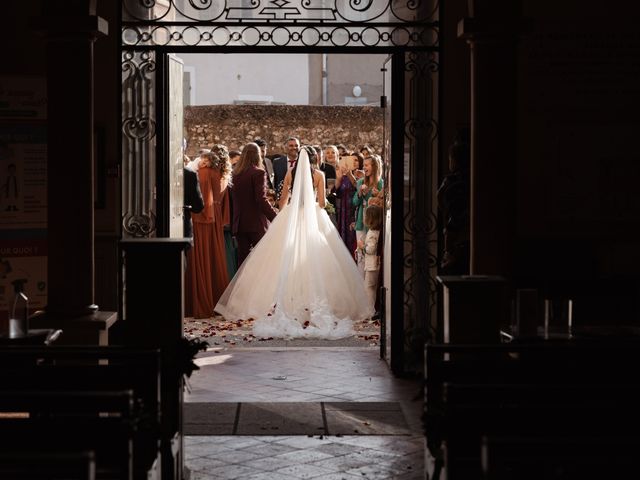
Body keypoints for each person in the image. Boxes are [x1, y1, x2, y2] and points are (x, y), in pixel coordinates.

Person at [215, 146, 373, 339]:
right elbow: (322, 203)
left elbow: (282, 201)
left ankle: (271, 301)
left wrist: (284, 210)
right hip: (313, 218)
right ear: (314, 160)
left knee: (277, 258)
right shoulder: (320, 175)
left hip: (291, 215)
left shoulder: (290, 173)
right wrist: (315, 203)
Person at [190, 150, 231, 318]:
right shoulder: (220, 175)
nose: (201, 161)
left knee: (201, 255)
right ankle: (216, 298)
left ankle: (200, 298)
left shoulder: (200, 173)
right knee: (213, 255)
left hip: (200, 216)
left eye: (203, 158)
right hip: (215, 218)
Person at [229, 142, 277, 267]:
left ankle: (241, 286)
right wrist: (275, 217)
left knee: (242, 260)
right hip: (256, 223)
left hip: (239, 224)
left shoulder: (234, 174)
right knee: (262, 258)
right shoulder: (258, 173)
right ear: (257, 156)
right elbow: (261, 199)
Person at [437, 136, 470, 275]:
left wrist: (447, 249)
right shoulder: (467, 180)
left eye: (450, 158)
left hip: (458, 241)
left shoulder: (456, 184)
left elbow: (454, 218)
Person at [352, 154, 383, 275]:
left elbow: (380, 204)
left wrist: (375, 195)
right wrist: (360, 193)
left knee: (371, 251)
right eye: (363, 165)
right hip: (361, 222)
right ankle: (361, 285)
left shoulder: (381, 184)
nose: (364, 168)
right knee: (360, 254)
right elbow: (355, 202)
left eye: (366, 165)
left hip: (374, 224)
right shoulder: (360, 182)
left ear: (375, 167)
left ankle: (370, 283)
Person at [183, 164, 204, 317]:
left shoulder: (147, 169)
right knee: (178, 270)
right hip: (180, 229)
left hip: (147, 229)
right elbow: (198, 206)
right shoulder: (189, 174)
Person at [358, 204, 382, 312]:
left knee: (369, 288)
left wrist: (362, 246)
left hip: (372, 265)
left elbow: (370, 250)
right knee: (371, 287)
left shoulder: (372, 233)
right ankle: (371, 309)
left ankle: (370, 310)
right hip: (374, 265)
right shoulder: (376, 231)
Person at [272, 136, 299, 201]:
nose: (294, 148)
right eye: (291, 146)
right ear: (286, 148)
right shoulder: (277, 162)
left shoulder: (303, 162)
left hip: (298, 198)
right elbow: (275, 182)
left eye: (296, 145)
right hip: (281, 199)